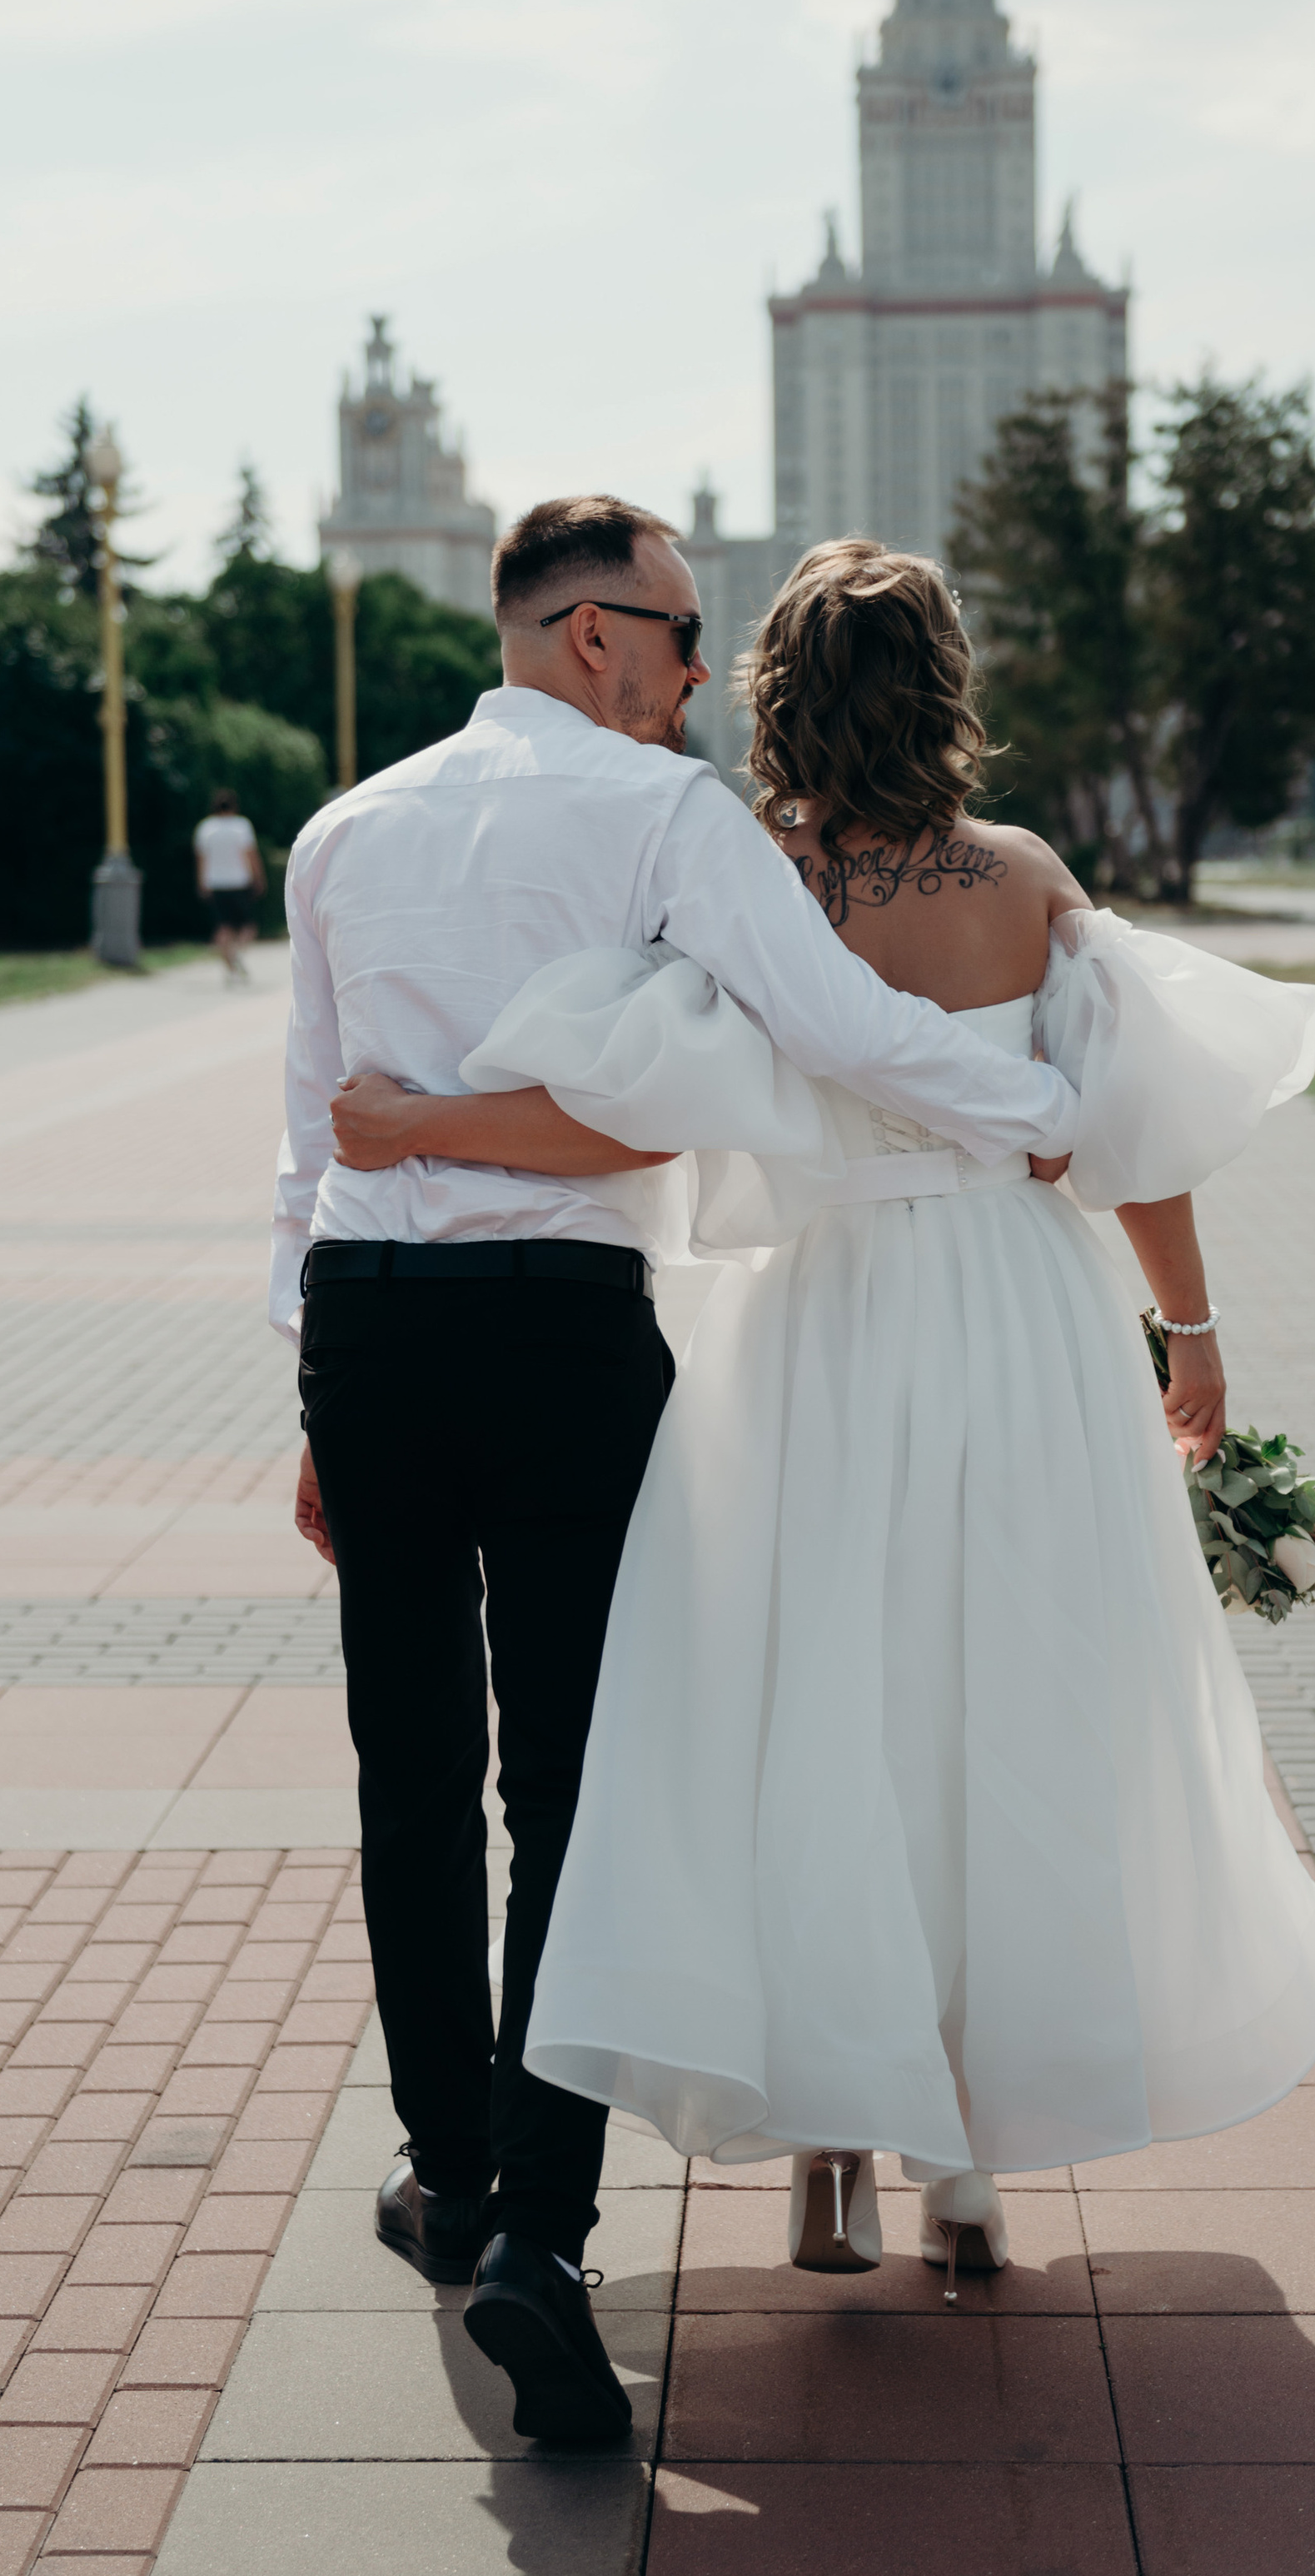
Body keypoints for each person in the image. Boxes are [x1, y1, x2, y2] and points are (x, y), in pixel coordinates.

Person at [331, 538, 1315, 2299]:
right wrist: (1188, 1331)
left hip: (810, 1322)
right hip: (1015, 1321)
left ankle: (829, 2148)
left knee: (825, 1712)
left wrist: (421, 1127)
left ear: (779, 692)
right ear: (946, 685)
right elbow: (1129, 1132)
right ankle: (963, 2162)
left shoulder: (755, 875)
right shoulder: (1023, 878)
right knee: (1003, 1703)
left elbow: (637, 1099)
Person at [272, 496, 1083, 2447]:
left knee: (404, 1766)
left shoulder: (341, 830)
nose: (699, 676)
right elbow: (839, 1028)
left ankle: (444, 2171)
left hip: (368, 1322)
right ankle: (541, 2233)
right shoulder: (662, 816)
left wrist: (306, 1386)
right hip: (560, 1326)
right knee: (570, 1776)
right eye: (678, 635)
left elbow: (306, 1138)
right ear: (589, 636)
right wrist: (1036, 1103)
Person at [192, 787, 265, 983]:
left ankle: (230, 967)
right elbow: (251, 854)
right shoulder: (242, 826)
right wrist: (259, 877)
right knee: (248, 926)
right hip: (239, 882)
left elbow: (201, 859)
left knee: (223, 927)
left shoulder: (205, 828)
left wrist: (201, 882)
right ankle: (237, 954)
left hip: (216, 883)